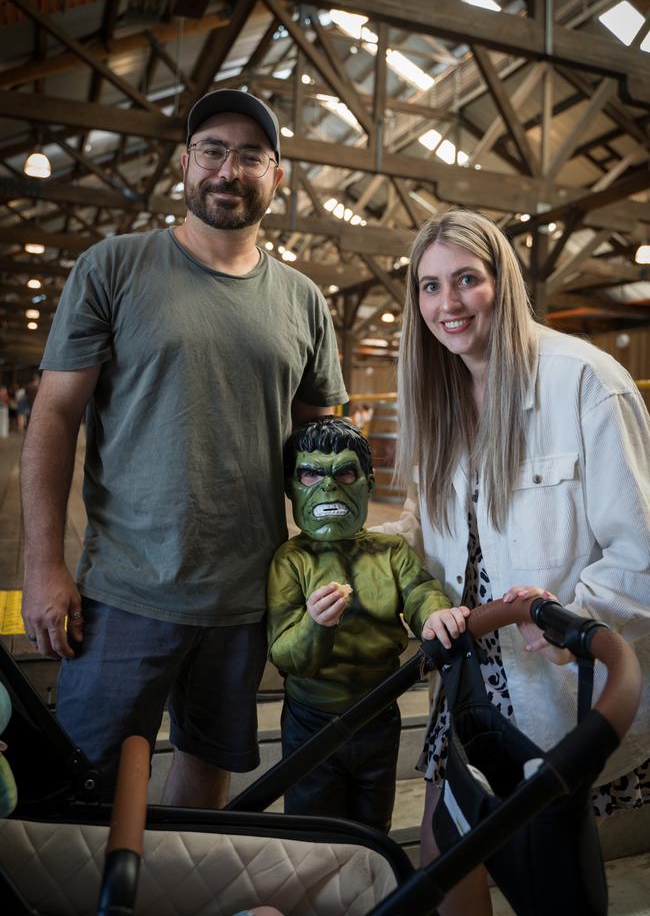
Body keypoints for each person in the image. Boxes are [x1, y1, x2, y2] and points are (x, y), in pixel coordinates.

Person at [20, 88, 348, 807]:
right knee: (78, 786)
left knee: (205, 774)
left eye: (252, 157)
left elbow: (324, 456)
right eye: (214, 151)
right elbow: (54, 416)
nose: (229, 171)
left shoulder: (302, 301)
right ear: (184, 164)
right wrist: (41, 563)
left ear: (277, 178)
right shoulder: (116, 268)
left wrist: (336, 562)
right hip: (124, 594)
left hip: (244, 599)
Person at [381, 208, 650, 914]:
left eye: (467, 280)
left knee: (551, 879)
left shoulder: (585, 383)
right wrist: (354, 556)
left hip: (553, 693)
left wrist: (571, 614)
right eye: (430, 287)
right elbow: (424, 522)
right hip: (463, 673)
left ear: (502, 282)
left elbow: (641, 552)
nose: (449, 304)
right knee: (444, 855)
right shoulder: (436, 394)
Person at [267, 416, 467, 833]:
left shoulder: (390, 552)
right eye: (310, 474)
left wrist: (433, 613)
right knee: (311, 829)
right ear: (291, 487)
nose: (329, 487)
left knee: (373, 824)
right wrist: (315, 626)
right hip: (311, 719)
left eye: (343, 472)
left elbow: (419, 590)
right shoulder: (292, 560)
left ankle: (370, 895)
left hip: (377, 714)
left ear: (368, 483)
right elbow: (284, 651)